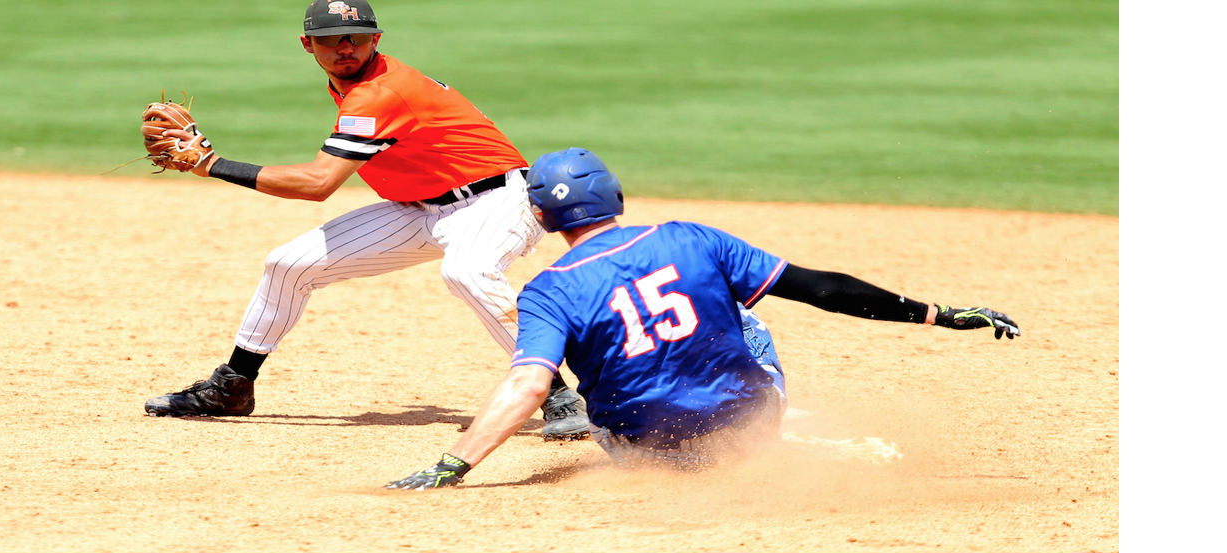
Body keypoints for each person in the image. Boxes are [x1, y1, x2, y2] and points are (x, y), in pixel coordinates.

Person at [385, 148, 1020, 489]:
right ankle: (765, 438)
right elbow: (822, 289)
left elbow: (528, 387)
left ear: (545, 219)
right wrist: (938, 314)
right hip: (747, 422)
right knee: (742, 307)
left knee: (595, 357)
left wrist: (453, 464)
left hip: (641, 452)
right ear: (617, 198)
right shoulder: (688, 236)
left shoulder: (544, 291)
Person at [140, 1, 590, 440]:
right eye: (331, 40)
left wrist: (212, 164)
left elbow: (319, 182)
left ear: (375, 39)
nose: (345, 48)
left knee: (466, 270)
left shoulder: (380, 92)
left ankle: (557, 396)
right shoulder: (353, 84)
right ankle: (233, 387)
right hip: (420, 208)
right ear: (307, 45)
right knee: (288, 264)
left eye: (356, 39)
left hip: (498, 199)